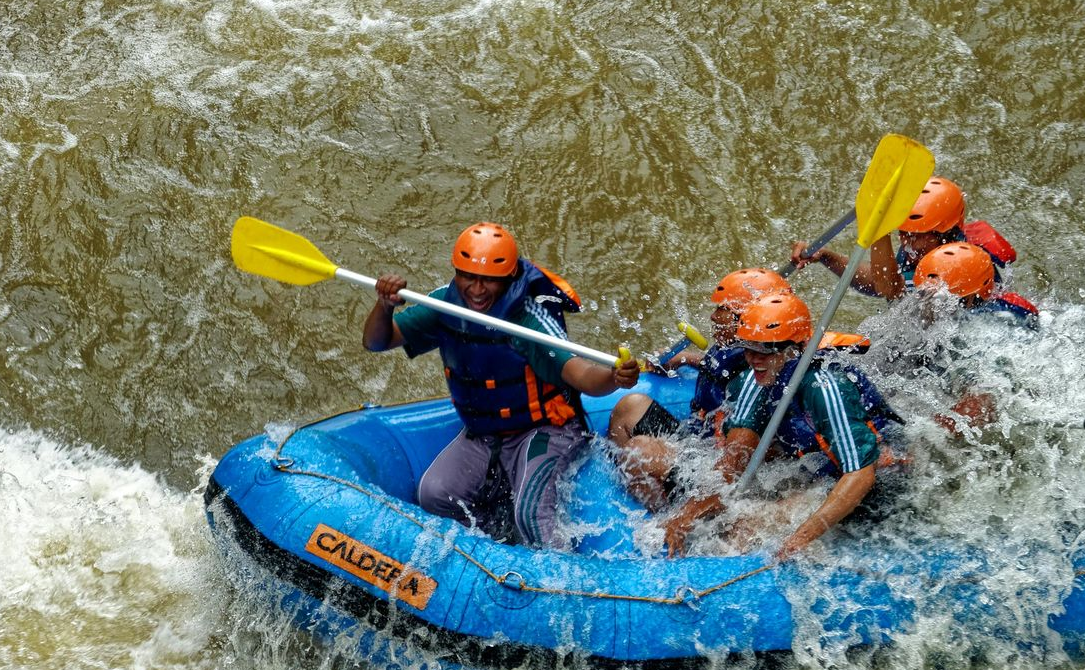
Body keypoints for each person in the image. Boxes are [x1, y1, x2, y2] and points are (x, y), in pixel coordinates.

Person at [363, 221, 640, 547]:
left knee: (530, 513)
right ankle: (493, 551)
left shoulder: (530, 319)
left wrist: (613, 376)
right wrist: (384, 306)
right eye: (469, 277)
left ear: (508, 278)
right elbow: (377, 342)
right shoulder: (444, 305)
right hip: (484, 434)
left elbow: (581, 376)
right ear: (456, 273)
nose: (477, 290)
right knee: (434, 494)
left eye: (489, 281)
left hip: (546, 430)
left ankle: (556, 581)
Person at [660, 292, 903, 560]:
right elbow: (733, 464)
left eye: (764, 350)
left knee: (745, 529)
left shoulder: (824, 387)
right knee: (731, 518)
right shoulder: (757, 379)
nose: (753, 359)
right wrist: (687, 516)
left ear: (795, 349)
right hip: (818, 469)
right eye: (748, 348)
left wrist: (799, 538)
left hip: (875, 478)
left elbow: (860, 475)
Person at [605, 268, 791, 510]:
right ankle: (640, 495)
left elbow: (736, 464)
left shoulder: (760, 376)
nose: (713, 317)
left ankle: (668, 516)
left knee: (639, 450)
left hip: (722, 468)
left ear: (746, 319)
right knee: (629, 406)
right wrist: (684, 358)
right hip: (701, 441)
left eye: (722, 310)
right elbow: (719, 368)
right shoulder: (740, 354)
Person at [789, 176, 1017, 301]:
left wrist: (878, 230)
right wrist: (828, 257)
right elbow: (879, 281)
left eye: (916, 236)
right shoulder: (919, 247)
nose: (907, 242)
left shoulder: (958, 263)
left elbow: (889, 289)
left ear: (945, 233)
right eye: (902, 233)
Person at [909, 241, 1038, 432]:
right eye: (922, 294)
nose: (924, 304)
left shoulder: (968, 337)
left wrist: (923, 434)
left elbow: (984, 402)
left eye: (936, 299)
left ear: (968, 299)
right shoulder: (973, 310)